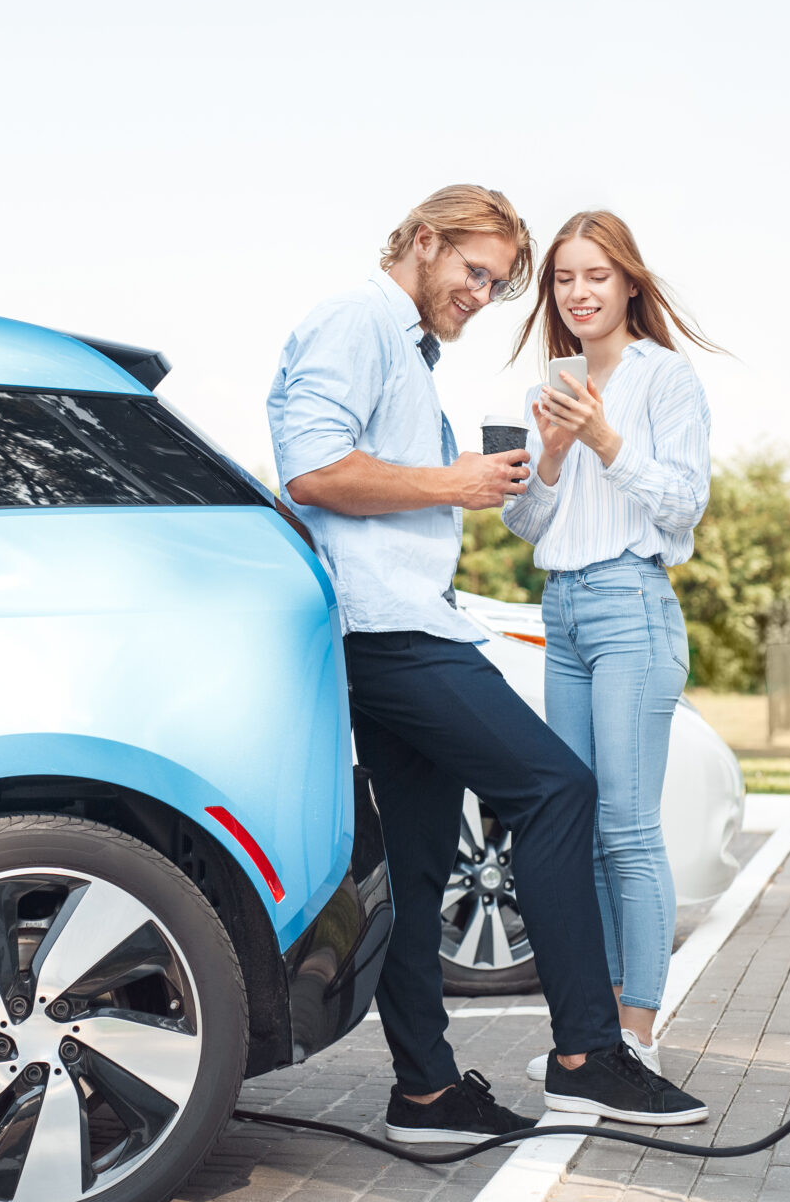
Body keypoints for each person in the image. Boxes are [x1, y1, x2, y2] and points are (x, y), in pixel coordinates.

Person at [267, 185, 707, 1142]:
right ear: (423, 242)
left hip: (405, 624)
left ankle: (426, 1093)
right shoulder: (359, 321)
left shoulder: (408, 349)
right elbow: (309, 470)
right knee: (558, 792)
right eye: (475, 272)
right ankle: (589, 1058)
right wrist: (458, 480)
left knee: (421, 865)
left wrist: (493, 472)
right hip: (393, 633)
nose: (482, 294)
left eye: (501, 283)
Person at [501, 210, 715, 1090]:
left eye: (596, 276)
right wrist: (550, 454)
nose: (579, 293)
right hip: (565, 614)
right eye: (563, 279)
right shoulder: (546, 391)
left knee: (628, 832)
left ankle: (638, 1033)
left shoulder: (665, 380)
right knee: (578, 830)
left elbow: (684, 504)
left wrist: (603, 440)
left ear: (629, 283)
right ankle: (592, 1035)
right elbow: (525, 522)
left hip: (632, 604)